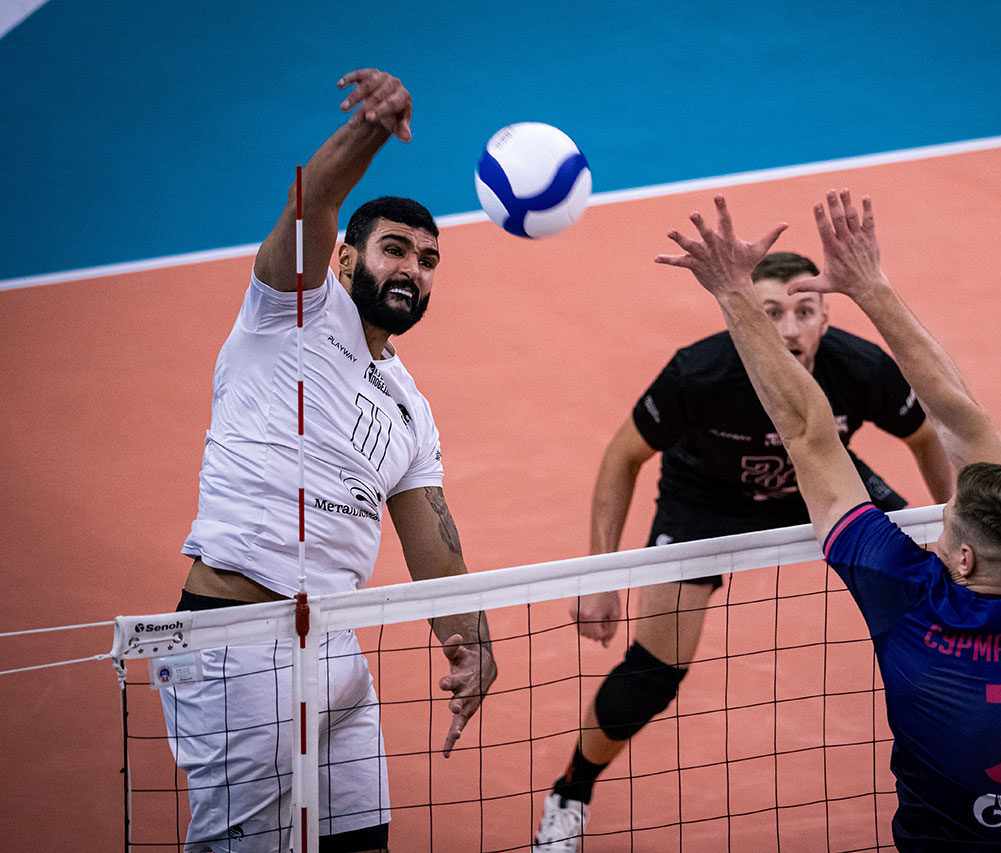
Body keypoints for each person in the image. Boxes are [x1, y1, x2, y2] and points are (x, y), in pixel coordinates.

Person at [646, 190, 1001, 850]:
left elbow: (808, 433)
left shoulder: (916, 608)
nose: (937, 524)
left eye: (946, 522)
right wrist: (870, 288)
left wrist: (736, 293)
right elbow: (965, 421)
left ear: (963, 559)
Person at [161, 69, 497, 853]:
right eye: (395, 249)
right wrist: (372, 128)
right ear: (344, 259)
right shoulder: (293, 310)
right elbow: (310, 204)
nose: (413, 268)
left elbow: (436, 544)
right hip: (239, 646)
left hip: (337, 649)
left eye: (429, 259)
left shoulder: (411, 406)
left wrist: (473, 639)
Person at [533, 247, 953, 847]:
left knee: (935, 604)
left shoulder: (859, 367)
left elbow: (928, 436)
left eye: (804, 311)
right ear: (743, 318)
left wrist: (953, 533)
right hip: (704, 498)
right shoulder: (699, 373)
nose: (790, 329)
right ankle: (571, 792)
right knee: (653, 673)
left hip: (821, 480)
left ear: (826, 318)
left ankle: (954, 770)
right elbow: (622, 455)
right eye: (770, 312)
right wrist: (600, 577)